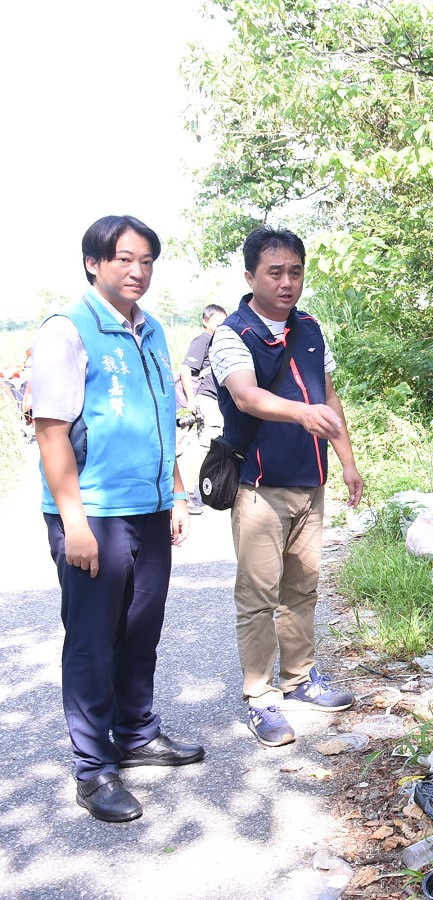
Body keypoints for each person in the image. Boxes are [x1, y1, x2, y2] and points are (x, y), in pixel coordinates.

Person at [32, 215, 205, 823]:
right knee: (92, 641)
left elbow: (163, 419)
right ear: (94, 263)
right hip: (95, 514)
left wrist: (177, 493)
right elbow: (51, 431)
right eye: (125, 260)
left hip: (151, 509)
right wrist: (73, 522)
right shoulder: (69, 330)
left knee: (140, 630)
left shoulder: (152, 329)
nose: (138, 272)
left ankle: (135, 734)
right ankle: (94, 767)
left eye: (147, 261)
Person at [209, 225, 363, 747]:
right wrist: (303, 414)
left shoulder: (311, 328)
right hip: (259, 487)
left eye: (295, 271)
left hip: (309, 482)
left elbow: (330, 395)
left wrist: (347, 461)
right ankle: (260, 696)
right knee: (258, 594)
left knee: (303, 587)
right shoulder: (233, 334)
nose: (287, 282)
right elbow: (247, 398)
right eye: (274, 272)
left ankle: (299, 680)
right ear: (250, 275)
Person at [177, 304, 227, 513]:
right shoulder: (203, 340)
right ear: (205, 321)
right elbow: (186, 368)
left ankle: (196, 491)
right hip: (206, 399)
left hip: (214, 399)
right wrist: (191, 399)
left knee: (206, 444)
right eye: (218, 321)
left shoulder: (216, 341)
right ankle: (189, 494)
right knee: (204, 446)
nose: (222, 325)